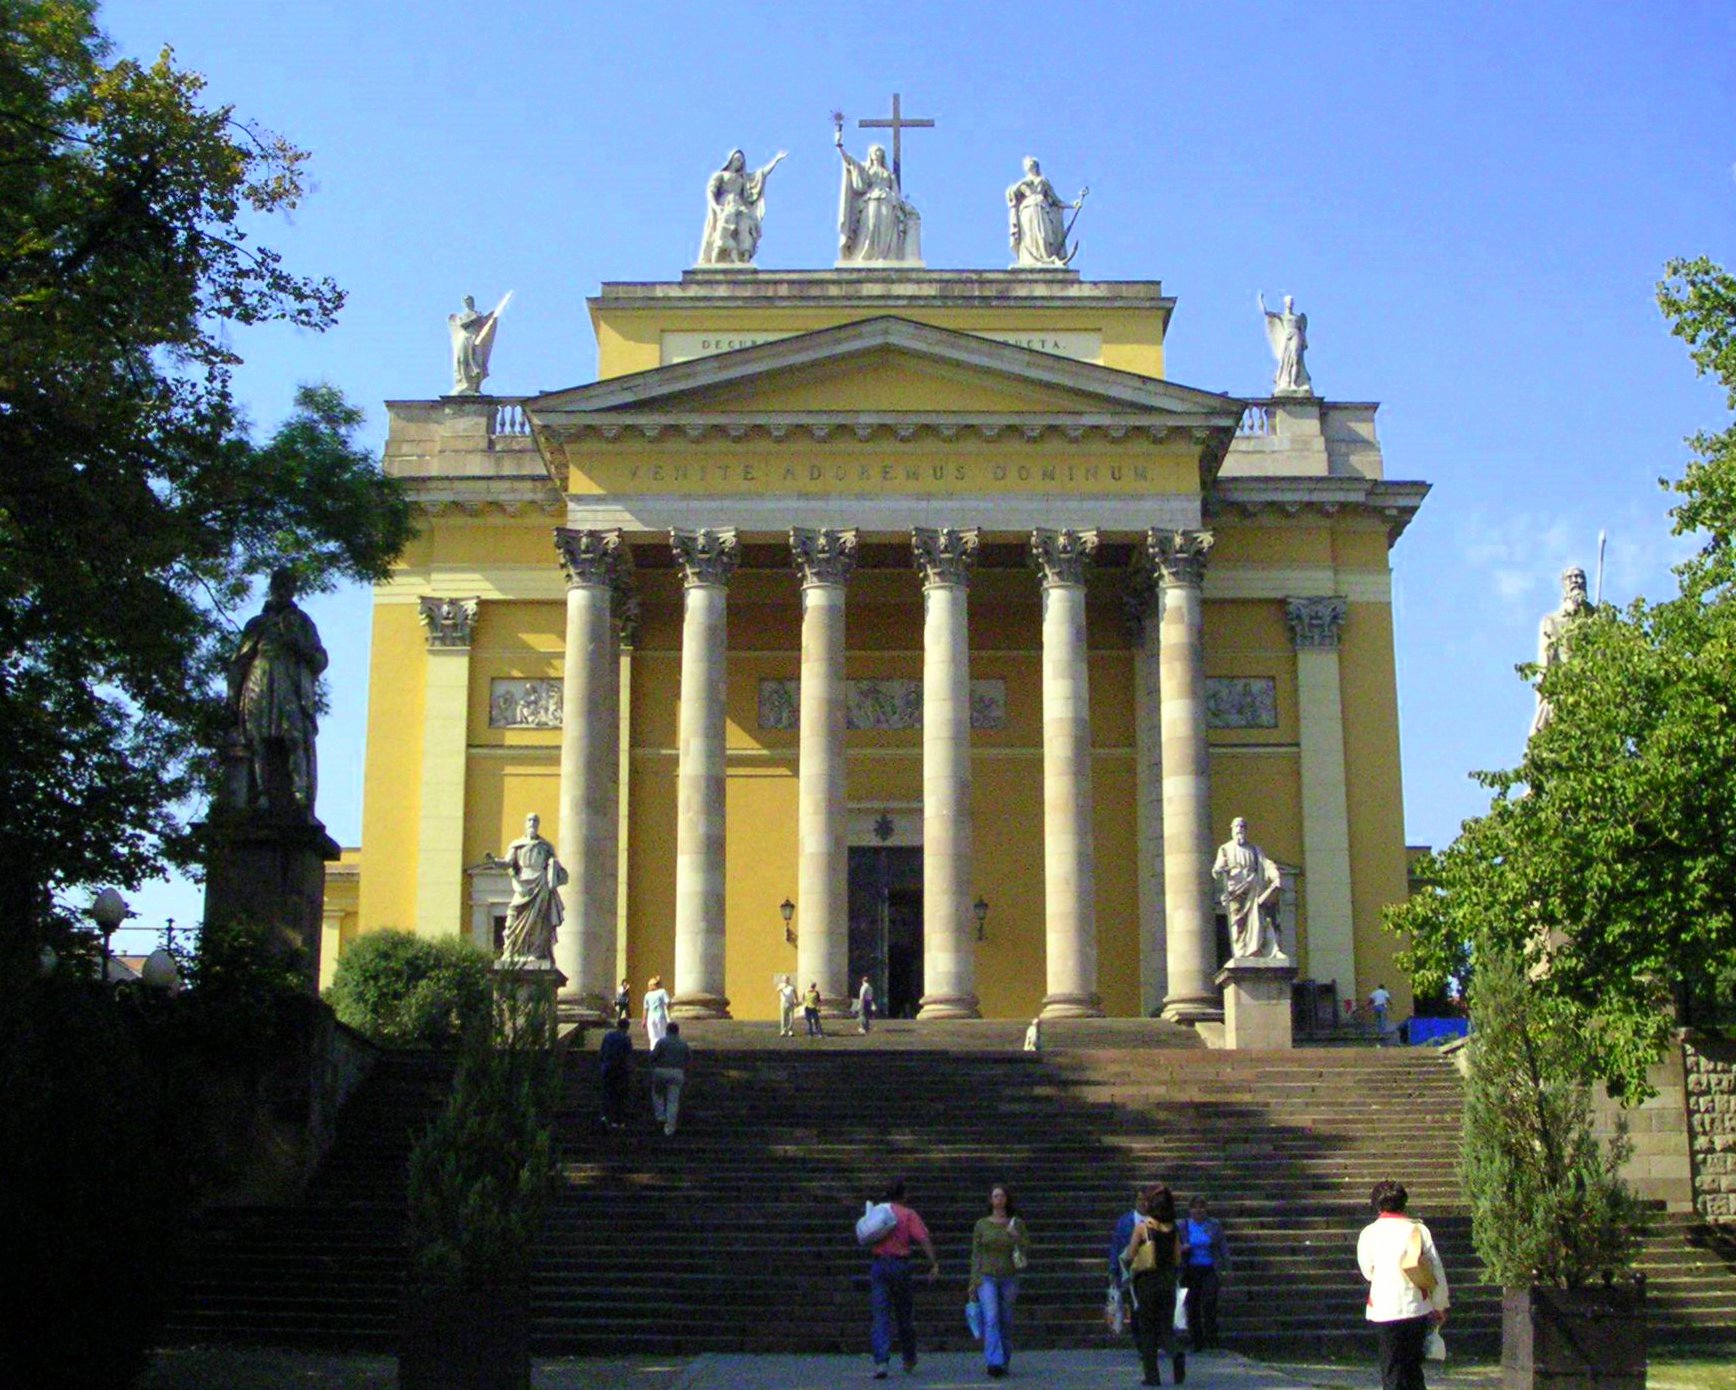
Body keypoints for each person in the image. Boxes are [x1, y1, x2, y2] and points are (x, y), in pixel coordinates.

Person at [227, 567, 328, 816]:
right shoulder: (258, 624)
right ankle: (260, 793)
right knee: (258, 740)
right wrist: (232, 700)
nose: (283, 589)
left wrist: (297, 644)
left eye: (288, 585)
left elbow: (320, 659)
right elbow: (240, 662)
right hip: (259, 682)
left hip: (290, 684)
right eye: (279, 584)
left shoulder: (302, 623)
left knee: (293, 736)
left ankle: (299, 792)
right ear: (272, 587)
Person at [1358, 1179, 1449, 1390]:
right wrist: (1439, 1304)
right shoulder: (1418, 1230)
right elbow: (1435, 1269)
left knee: (1391, 1368)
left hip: (1384, 1307)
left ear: (1377, 1205)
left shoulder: (1369, 1233)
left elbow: (1367, 1271)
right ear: (1404, 1203)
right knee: (1413, 1367)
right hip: (1415, 1305)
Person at [867, 1178, 938, 1379]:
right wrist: (933, 1262)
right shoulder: (908, 1214)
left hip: (879, 1264)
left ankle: (881, 1361)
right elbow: (923, 1238)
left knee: (880, 1314)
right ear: (904, 1195)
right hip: (900, 1265)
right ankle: (908, 1357)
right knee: (904, 1314)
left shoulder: (879, 1211)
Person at [1124, 1183, 1185, 1386]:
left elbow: (1130, 1255)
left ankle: (1152, 1376)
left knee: (1147, 1329)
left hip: (1147, 1283)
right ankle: (1175, 1352)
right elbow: (1177, 1258)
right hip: (1167, 1281)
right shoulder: (1174, 1228)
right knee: (1166, 1328)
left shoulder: (1143, 1227)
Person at [487, 813, 568, 962]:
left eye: (535, 820)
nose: (532, 823)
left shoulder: (546, 847)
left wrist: (553, 866)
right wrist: (494, 861)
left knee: (538, 921)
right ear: (525, 824)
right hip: (522, 886)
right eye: (530, 820)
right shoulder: (517, 845)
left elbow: (556, 867)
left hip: (540, 885)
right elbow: (508, 862)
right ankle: (511, 951)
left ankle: (535, 952)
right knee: (513, 912)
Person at [969, 1183, 1029, 1378]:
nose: (999, 1199)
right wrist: (973, 1280)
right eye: (995, 1196)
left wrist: (1016, 1237)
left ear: (1007, 1199)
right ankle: (994, 1361)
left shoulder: (1015, 1223)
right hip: (987, 1276)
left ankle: (1004, 1358)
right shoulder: (982, 1224)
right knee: (992, 1317)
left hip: (1009, 1276)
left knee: (1006, 1319)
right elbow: (976, 1253)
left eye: (1002, 1196)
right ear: (990, 1200)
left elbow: (1026, 1247)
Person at [697, 148, 786, 264]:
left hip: (739, 206)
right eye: (737, 159)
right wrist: (715, 207)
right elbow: (710, 192)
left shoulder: (743, 178)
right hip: (725, 205)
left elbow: (761, 174)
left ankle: (742, 257)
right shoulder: (720, 175)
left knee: (745, 228)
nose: (739, 163)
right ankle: (718, 257)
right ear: (731, 160)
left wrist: (775, 161)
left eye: (741, 161)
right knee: (723, 230)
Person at [1180, 1196, 1229, 1352]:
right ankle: (1196, 1339)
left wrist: (1226, 1266)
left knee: (1209, 1302)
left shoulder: (1214, 1225)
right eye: (1195, 1207)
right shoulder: (1183, 1226)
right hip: (1191, 1269)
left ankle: (1212, 1337)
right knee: (1192, 1305)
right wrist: (1183, 1248)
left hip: (1209, 1268)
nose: (1199, 1210)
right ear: (1190, 1210)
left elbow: (1222, 1246)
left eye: (1202, 1207)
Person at [649, 1020, 691, 1137]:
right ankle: (670, 1128)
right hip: (677, 1072)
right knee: (673, 1101)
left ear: (667, 1031)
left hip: (661, 1071)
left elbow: (653, 1056)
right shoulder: (683, 1044)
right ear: (678, 1031)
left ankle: (660, 1115)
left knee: (657, 1094)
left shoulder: (662, 1042)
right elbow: (689, 1058)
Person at [597, 1016, 632, 1130]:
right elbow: (628, 1056)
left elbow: (601, 1052)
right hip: (620, 1070)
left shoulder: (608, 1036)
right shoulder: (626, 1038)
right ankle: (617, 1120)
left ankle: (604, 1116)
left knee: (607, 1093)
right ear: (626, 1028)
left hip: (607, 1068)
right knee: (619, 1096)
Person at [643, 974, 671, 1050]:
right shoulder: (662, 992)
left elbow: (645, 1009)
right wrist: (667, 1010)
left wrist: (644, 1020)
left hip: (651, 1018)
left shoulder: (647, 995)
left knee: (653, 1037)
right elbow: (668, 1002)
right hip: (660, 1016)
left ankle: (653, 1051)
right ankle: (663, 1051)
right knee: (662, 1034)